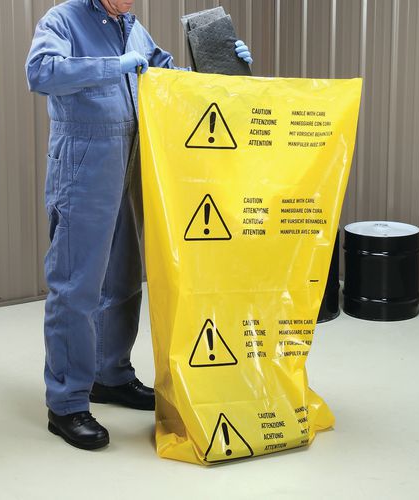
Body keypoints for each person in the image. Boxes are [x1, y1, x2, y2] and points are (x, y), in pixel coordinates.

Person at [25, 0, 252, 451]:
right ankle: (67, 403)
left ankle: (110, 375)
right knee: (76, 286)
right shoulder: (62, 20)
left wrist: (224, 64)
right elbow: (42, 73)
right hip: (83, 161)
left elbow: (168, 76)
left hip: (128, 158)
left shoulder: (131, 26)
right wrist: (115, 66)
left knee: (123, 279)